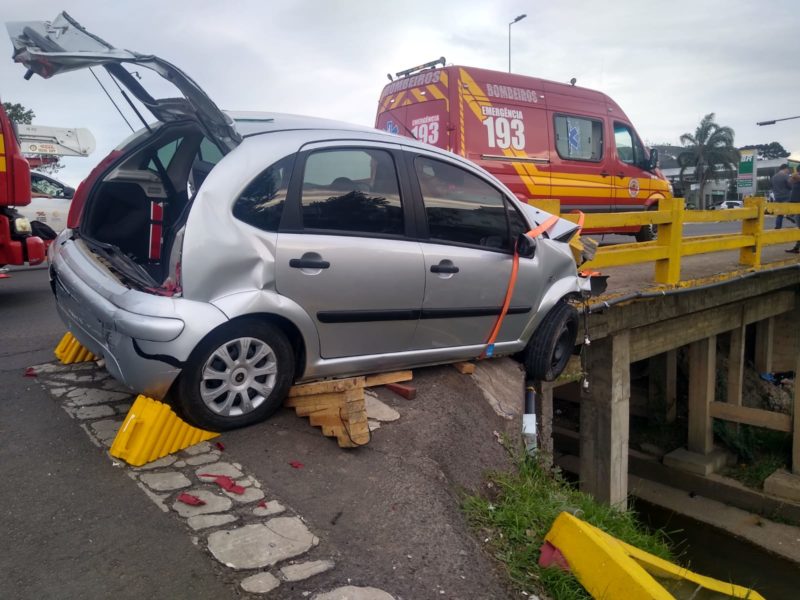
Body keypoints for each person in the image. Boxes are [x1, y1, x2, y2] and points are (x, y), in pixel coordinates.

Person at [771, 164, 792, 229]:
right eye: (788, 169)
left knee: (779, 213)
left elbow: (773, 187)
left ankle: (778, 226)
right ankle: (790, 216)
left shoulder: (773, 177)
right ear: (785, 168)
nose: (788, 171)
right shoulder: (786, 176)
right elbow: (790, 186)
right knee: (793, 208)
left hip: (777, 196)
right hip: (786, 196)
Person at [786, 166, 800, 253]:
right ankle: (796, 247)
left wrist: (796, 176)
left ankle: (796, 247)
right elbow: (789, 182)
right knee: (799, 227)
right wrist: (793, 176)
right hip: (795, 205)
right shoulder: (795, 179)